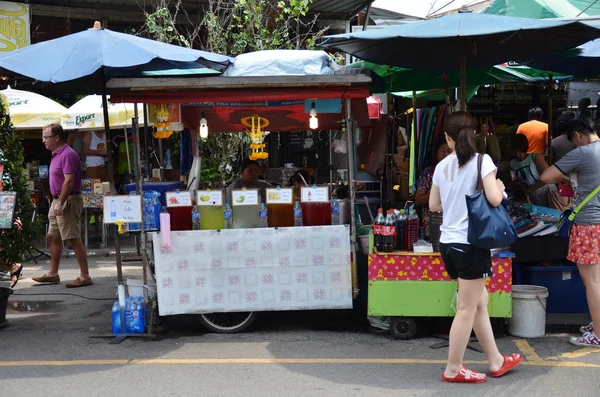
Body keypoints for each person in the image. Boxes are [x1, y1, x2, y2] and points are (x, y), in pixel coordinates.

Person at [430, 111, 522, 383]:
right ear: (475, 135)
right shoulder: (483, 161)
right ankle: (453, 369)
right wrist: (501, 188)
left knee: (478, 301)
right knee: (466, 308)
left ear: (448, 138)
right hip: (470, 244)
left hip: (447, 243)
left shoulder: (441, 166)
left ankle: (496, 361)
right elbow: (495, 199)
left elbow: (434, 205)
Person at [541, 119, 600, 347]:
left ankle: (597, 334)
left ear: (577, 135)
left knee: (592, 281)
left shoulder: (583, 153)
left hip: (588, 223)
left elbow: (546, 177)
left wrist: (567, 176)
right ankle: (596, 324)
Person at [32, 124, 92, 288]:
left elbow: (69, 181)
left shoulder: (67, 154)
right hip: (57, 199)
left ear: (56, 138)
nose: (43, 141)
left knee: (73, 238)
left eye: (46, 137)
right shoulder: (56, 154)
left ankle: (85, 275)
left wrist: (61, 201)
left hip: (67, 199)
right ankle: (52, 273)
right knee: (53, 236)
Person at [416, 141, 452, 239]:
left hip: (452, 224)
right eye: (442, 151)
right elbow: (418, 199)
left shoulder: (457, 173)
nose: (445, 154)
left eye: (449, 151)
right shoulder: (428, 173)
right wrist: (436, 194)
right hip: (431, 224)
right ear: (436, 153)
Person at [509, 134, 556, 208]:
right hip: (533, 197)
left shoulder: (534, 157)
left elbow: (547, 177)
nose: (507, 147)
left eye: (510, 144)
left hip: (546, 195)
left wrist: (530, 190)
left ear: (517, 146)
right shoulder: (512, 163)